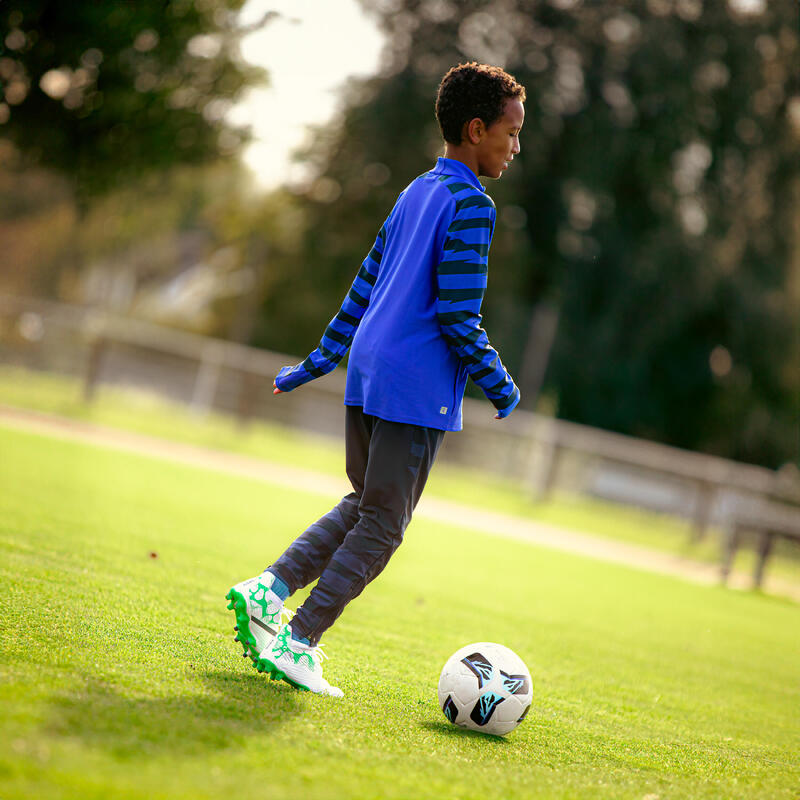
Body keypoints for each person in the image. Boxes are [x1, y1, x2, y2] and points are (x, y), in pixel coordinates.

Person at [226, 63, 526, 697]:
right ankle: (297, 639)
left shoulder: (416, 191)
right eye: (511, 132)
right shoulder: (472, 204)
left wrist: (317, 362)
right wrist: (500, 383)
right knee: (386, 524)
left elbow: (363, 286)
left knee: (366, 506)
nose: (515, 147)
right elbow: (456, 314)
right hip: (413, 387)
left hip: (368, 374)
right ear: (476, 131)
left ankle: (268, 590)